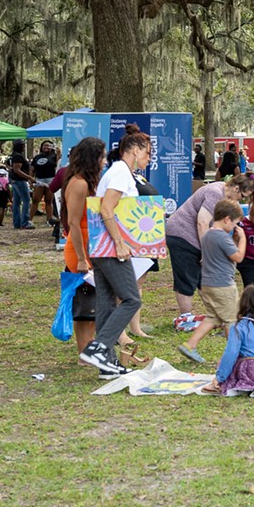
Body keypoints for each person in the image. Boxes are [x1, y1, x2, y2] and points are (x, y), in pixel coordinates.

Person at [77, 131, 153, 379]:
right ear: (135, 149)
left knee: (107, 303)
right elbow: (107, 208)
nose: (149, 158)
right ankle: (99, 348)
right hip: (110, 248)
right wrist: (120, 243)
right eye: (148, 152)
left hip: (100, 248)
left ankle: (106, 365)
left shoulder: (118, 172)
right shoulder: (121, 171)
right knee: (132, 299)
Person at [165, 173, 254, 318]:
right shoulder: (215, 193)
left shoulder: (224, 196)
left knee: (205, 277)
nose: (242, 199)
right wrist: (206, 251)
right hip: (181, 234)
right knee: (187, 276)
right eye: (243, 195)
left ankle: (216, 313)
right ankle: (185, 317)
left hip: (196, 237)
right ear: (235, 188)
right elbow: (202, 221)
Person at [177, 199, 247, 364]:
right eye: (235, 223)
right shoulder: (222, 237)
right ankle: (235, 356)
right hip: (223, 285)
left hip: (208, 283)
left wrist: (234, 240)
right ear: (227, 219)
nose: (235, 227)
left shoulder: (208, 234)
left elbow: (225, 255)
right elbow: (238, 257)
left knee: (213, 317)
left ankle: (190, 344)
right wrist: (242, 239)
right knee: (231, 320)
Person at [61, 137, 105, 362]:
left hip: (92, 247)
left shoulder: (88, 183)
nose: (104, 162)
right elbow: (74, 223)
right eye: (102, 157)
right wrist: (80, 258)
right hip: (79, 250)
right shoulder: (79, 184)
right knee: (85, 303)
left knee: (94, 301)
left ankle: (89, 348)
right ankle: (84, 351)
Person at [30, 141, 59, 224]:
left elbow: (57, 166)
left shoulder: (54, 156)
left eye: (48, 145)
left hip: (50, 179)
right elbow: (32, 169)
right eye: (44, 145)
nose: (46, 147)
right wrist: (31, 179)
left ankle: (49, 220)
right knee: (35, 200)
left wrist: (58, 154)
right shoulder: (37, 157)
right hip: (39, 179)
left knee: (49, 201)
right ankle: (30, 220)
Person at [7, 140, 33, 229]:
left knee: (17, 202)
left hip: (14, 180)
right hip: (19, 180)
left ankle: (17, 223)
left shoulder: (14, 155)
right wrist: (29, 177)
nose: (24, 147)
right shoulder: (18, 156)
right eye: (23, 145)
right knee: (26, 200)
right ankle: (25, 222)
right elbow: (17, 170)